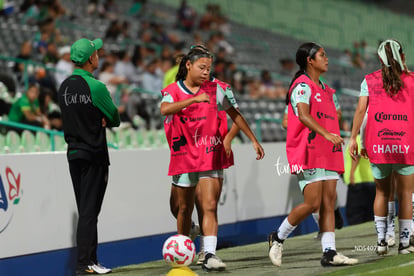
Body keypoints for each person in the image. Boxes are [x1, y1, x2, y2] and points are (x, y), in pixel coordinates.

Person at [161, 46, 264, 272]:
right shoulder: (173, 90)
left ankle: (209, 254)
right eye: (202, 67)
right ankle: (186, 244)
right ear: (188, 65)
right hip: (184, 156)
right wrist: (193, 100)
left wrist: (252, 139)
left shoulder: (219, 89)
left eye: (209, 68)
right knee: (181, 208)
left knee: (209, 205)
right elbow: (165, 109)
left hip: (210, 153)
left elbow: (235, 115)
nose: (207, 72)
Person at [268, 42, 358, 267]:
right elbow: (302, 115)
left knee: (328, 202)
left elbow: (331, 116)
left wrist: (333, 137)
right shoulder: (302, 85)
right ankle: (277, 238)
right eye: (322, 55)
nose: (326, 59)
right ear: (310, 60)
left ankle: (329, 252)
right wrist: (327, 134)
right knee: (312, 202)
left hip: (328, 150)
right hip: (307, 151)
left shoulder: (328, 90)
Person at [57, 38, 120, 275]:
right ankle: (86, 263)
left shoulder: (64, 86)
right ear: (90, 58)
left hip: (73, 153)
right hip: (94, 154)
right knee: (89, 211)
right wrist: (101, 117)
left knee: (86, 209)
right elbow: (114, 118)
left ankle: (90, 261)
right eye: (96, 53)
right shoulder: (96, 86)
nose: (99, 55)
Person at [348, 39, 414, 255]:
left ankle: (381, 241)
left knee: (382, 193)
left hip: (379, 144)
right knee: (405, 194)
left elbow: (360, 112)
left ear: (379, 59)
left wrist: (353, 139)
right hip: (405, 144)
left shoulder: (369, 80)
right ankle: (405, 244)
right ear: (402, 57)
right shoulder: (412, 80)